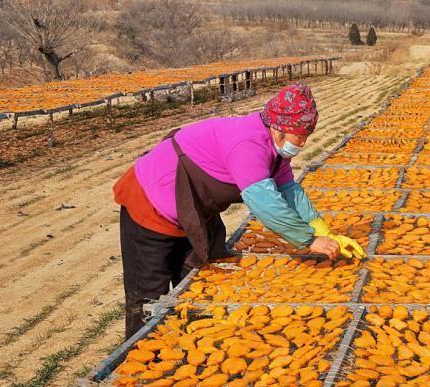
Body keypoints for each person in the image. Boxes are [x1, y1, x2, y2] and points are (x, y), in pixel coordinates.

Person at [113, 82, 364, 337]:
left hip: (192, 211)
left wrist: (323, 230)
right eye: (301, 135)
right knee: (149, 294)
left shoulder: (276, 151)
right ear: (280, 128)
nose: (303, 142)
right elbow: (264, 203)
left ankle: (191, 343)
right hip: (150, 204)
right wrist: (308, 240)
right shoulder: (248, 144)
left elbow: (290, 191)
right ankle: (141, 359)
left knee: (195, 283)